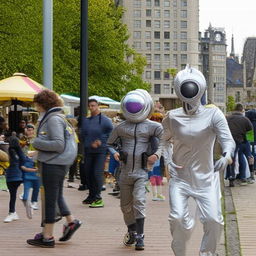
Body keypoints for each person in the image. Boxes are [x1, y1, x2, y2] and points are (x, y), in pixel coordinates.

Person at [155, 66, 235, 256]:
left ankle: (207, 253)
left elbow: (228, 140)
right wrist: (167, 160)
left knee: (214, 221)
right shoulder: (172, 117)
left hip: (206, 179)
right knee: (177, 219)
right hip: (180, 178)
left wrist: (226, 156)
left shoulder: (213, 114)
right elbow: (163, 141)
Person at [107, 89, 163, 250]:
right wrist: (115, 152)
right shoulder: (120, 127)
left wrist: (157, 155)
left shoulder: (153, 127)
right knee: (125, 206)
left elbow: (165, 141)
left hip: (141, 171)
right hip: (124, 172)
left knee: (139, 201)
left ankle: (140, 236)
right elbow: (109, 143)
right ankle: (131, 231)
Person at [26, 89, 81, 248]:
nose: (36, 107)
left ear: (43, 103)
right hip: (59, 162)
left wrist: (36, 142)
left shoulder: (52, 119)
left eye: (37, 104)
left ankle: (47, 236)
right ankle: (71, 223)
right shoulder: (58, 117)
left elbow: (58, 145)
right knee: (56, 196)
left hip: (53, 163)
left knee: (50, 199)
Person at [81, 98, 113, 208]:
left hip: (101, 151)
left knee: (96, 173)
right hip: (88, 151)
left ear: (98, 106)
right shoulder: (86, 120)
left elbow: (111, 134)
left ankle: (98, 197)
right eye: (89, 106)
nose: (91, 108)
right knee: (88, 174)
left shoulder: (105, 120)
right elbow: (83, 135)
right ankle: (91, 196)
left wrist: (101, 141)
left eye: (93, 105)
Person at [227, 103, 254, 186]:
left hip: (230, 142)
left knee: (231, 159)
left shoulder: (228, 118)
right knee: (246, 157)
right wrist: (248, 143)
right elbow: (250, 134)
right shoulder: (246, 119)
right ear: (242, 110)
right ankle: (245, 177)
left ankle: (231, 178)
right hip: (241, 142)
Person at [4, 133, 25, 223]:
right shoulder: (19, 152)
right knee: (14, 194)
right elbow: (23, 161)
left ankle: (12, 212)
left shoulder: (9, 151)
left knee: (12, 195)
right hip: (18, 176)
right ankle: (13, 212)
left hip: (11, 176)